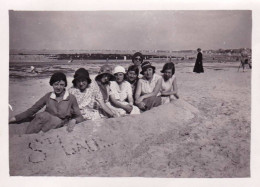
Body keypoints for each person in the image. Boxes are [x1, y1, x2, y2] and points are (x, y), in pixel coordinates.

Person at [9, 72, 84, 134]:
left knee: (56, 120)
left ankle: (39, 135)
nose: (58, 87)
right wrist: (12, 119)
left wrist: (74, 120)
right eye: (56, 84)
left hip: (57, 124)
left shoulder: (71, 98)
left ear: (65, 85)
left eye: (61, 85)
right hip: (43, 120)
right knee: (40, 116)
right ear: (52, 84)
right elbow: (32, 110)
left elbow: (80, 117)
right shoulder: (48, 96)